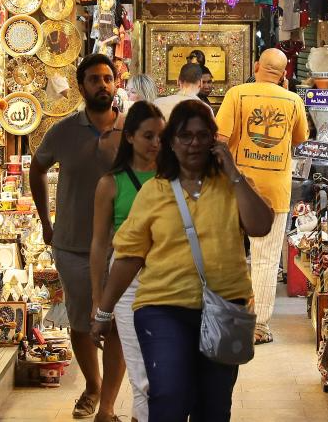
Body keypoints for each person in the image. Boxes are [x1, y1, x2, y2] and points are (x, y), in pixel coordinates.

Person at [90, 101, 273, 422]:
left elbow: (261, 226)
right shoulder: (154, 192)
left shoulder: (233, 186)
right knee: (170, 396)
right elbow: (128, 258)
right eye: (185, 135)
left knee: (214, 407)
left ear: (215, 140)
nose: (194, 143)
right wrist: (104, 311)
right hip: (164, 309)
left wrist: (233, 172)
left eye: (203, 135)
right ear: (171, 141)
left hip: (223, 309)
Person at [29, 53, 126, 422]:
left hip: (122, 248)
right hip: (72, 244)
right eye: (94, 79)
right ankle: (92, 385)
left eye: (107, 78)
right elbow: (37, 169)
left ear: (115, 83)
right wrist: (45, 221)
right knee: (81, 322)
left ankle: (108, 406)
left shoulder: (131, 129)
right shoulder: (64, 130)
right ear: (81, 85)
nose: (102, 84)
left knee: (115, 324)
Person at [215, 48, 309, 344]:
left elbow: (218, 140)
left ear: (256, 66)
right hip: (274, 192)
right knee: (266, 260)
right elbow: (299, 138)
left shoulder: (237, 94)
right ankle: (259, 326)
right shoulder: (293, 100)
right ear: (284, 75)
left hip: (235, 188)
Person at [90, 102, 165, 422]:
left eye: (161, 136)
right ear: (130, 137)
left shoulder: (172, 178)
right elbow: (99, 243)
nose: (156, 143)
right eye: (148, 136)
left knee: (163, 374)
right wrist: (98, 300)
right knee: (143, 377)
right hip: (127, 282)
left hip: (168, 278)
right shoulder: (111, 183)